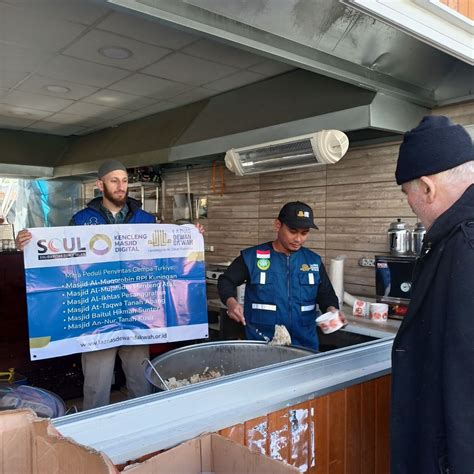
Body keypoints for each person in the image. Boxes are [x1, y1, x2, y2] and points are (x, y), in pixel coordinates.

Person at [16, 160, 203, 411]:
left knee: (140, 379)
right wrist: (28, 244)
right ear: (100, 184)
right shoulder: (82, 221)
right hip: (99, 315)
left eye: (124, 181)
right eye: (114, 180)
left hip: (139, 312)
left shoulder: (146, 219)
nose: (121, 186)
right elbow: (62, 261)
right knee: (96, 381)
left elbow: (166, 254)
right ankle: (95, 433)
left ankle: (143, 425)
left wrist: (191, 236)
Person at [391, 115, 474, 473]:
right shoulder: (450, 241)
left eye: (407, 192)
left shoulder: (466, 247)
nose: (409, 203)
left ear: (427, 187)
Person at [217, 201, 343, 350]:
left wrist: (332, 309)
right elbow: (226, 281)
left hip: (304, 346)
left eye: (304, 233)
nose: (298, 239)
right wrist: (231, 303)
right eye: (293, 231)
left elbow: (326, 294)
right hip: (262, 344)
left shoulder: (313, 261)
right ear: (278, 225)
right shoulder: (253, 257)